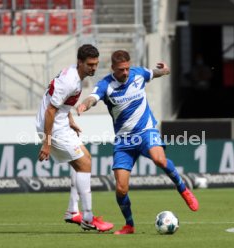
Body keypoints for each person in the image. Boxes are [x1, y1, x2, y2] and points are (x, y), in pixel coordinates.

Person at [76, 50, 199, 235]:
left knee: (160, 160)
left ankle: (183, 189)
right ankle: (129, 225)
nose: (125, 73)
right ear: (112, 68)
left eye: (127, 68)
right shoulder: (105, 85)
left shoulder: (138, 74)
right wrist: (85, 105)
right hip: (124, 141)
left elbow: (154, 73)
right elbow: (93, 98)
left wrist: (165, 70)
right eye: (120, 70)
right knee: (121, 188)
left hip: (146, 131)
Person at [36, 44, 113, 232]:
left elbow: (61, 104)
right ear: (80, 62)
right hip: (53, 127)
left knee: (80, 163)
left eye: (95, 64)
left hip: (61, 124)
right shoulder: (70, 81)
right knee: (85, 162)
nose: (93, 68)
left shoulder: (75, 76)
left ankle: (73, 211)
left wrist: (69, 120)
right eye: (90, 64)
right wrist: (47, 143)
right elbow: (50, 111)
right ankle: (87, 217)